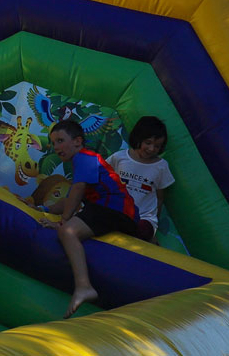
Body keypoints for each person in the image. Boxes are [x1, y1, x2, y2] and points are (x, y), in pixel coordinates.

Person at [39, 119, 139, 318]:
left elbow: (77, 191)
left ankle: (84, 286)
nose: (56, 147)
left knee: (67, 232)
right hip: (115, 211)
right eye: (53, 142)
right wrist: (43, 208)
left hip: (115, 210)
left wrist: (62, 222)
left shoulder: (84, 158)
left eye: (60, 140)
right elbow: (70, 199)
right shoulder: (86, 162)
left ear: (77, 141)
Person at [106, 115, 175, 243]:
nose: (151, 149)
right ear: (138, 138)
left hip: (144, 218)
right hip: (119, 212)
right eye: (148, 143)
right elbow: (103, 177)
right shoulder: (120, 158)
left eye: (157, 146)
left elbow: (160, 197)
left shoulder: (161, 166)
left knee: (142, 230)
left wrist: (154, 221)